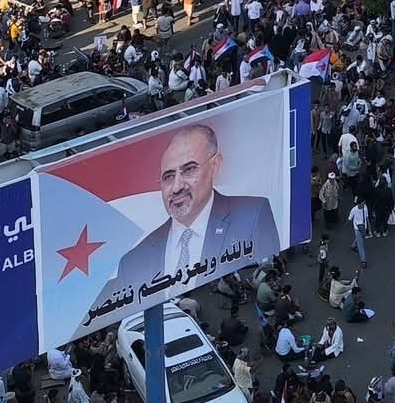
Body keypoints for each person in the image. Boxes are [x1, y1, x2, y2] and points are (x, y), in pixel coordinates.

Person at [108, 123, 281, 298]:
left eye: (189, 169)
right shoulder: (131, 263)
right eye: (168, 177)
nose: (176, 187)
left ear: (215, 165)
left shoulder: (254, 215)